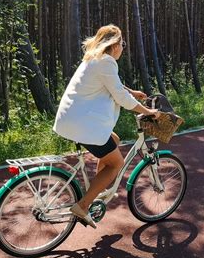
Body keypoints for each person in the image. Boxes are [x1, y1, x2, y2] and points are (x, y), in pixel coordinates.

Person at [53, 24, 160, 228]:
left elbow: (114, 85)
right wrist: (148, 112)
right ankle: (83, 205)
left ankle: (96, 189)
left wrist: (132, 91)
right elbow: (120, 97)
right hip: (83, 124)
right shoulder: (107, 62)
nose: (123, 48)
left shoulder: (94, 58)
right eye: (123, 44)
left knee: (115, 140)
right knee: (115, 164)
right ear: (115, 44)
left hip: (72, 119)